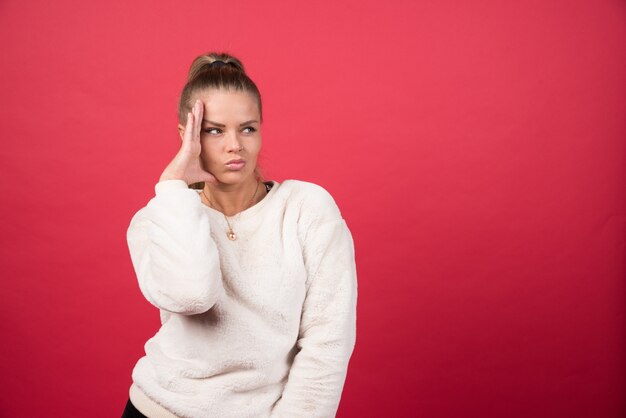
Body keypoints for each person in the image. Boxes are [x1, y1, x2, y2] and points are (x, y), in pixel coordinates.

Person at [121, 52, 358, 418]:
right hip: (158, 408)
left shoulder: (307, 209)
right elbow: (191, 296)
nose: (235, 145)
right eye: (214, 130)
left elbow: (328, 342)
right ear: (188, 136)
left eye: (247, 128)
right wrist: (171, 187)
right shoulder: (159, 218)